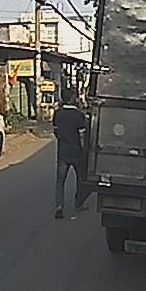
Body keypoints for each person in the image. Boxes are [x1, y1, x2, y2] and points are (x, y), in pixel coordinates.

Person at [52, 91, 89, 219]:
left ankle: (59, 206)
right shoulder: (78, 115)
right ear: (72, 99)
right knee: (80, 178)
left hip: (63, 152)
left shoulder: (58, 114)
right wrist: (84, 150)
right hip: (77, 152)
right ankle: (78, 204)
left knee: (60, 181)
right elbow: (82, 135)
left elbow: (56, 131)